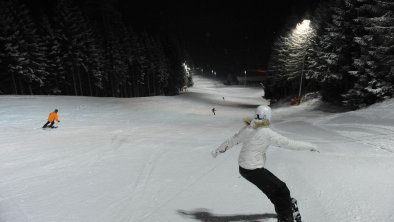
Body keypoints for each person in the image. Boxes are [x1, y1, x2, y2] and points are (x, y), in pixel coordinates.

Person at [211, 105, 318, 222]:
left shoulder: (247, 129)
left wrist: (218, 150)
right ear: (267, 117)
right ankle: (286, 217)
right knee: (282, 191)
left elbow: (231, 141)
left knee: (277, 191)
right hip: (253, 170)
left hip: (246, 169)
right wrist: (310, 146)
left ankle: (287, 206)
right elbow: (289, 143)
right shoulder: (266, 133)